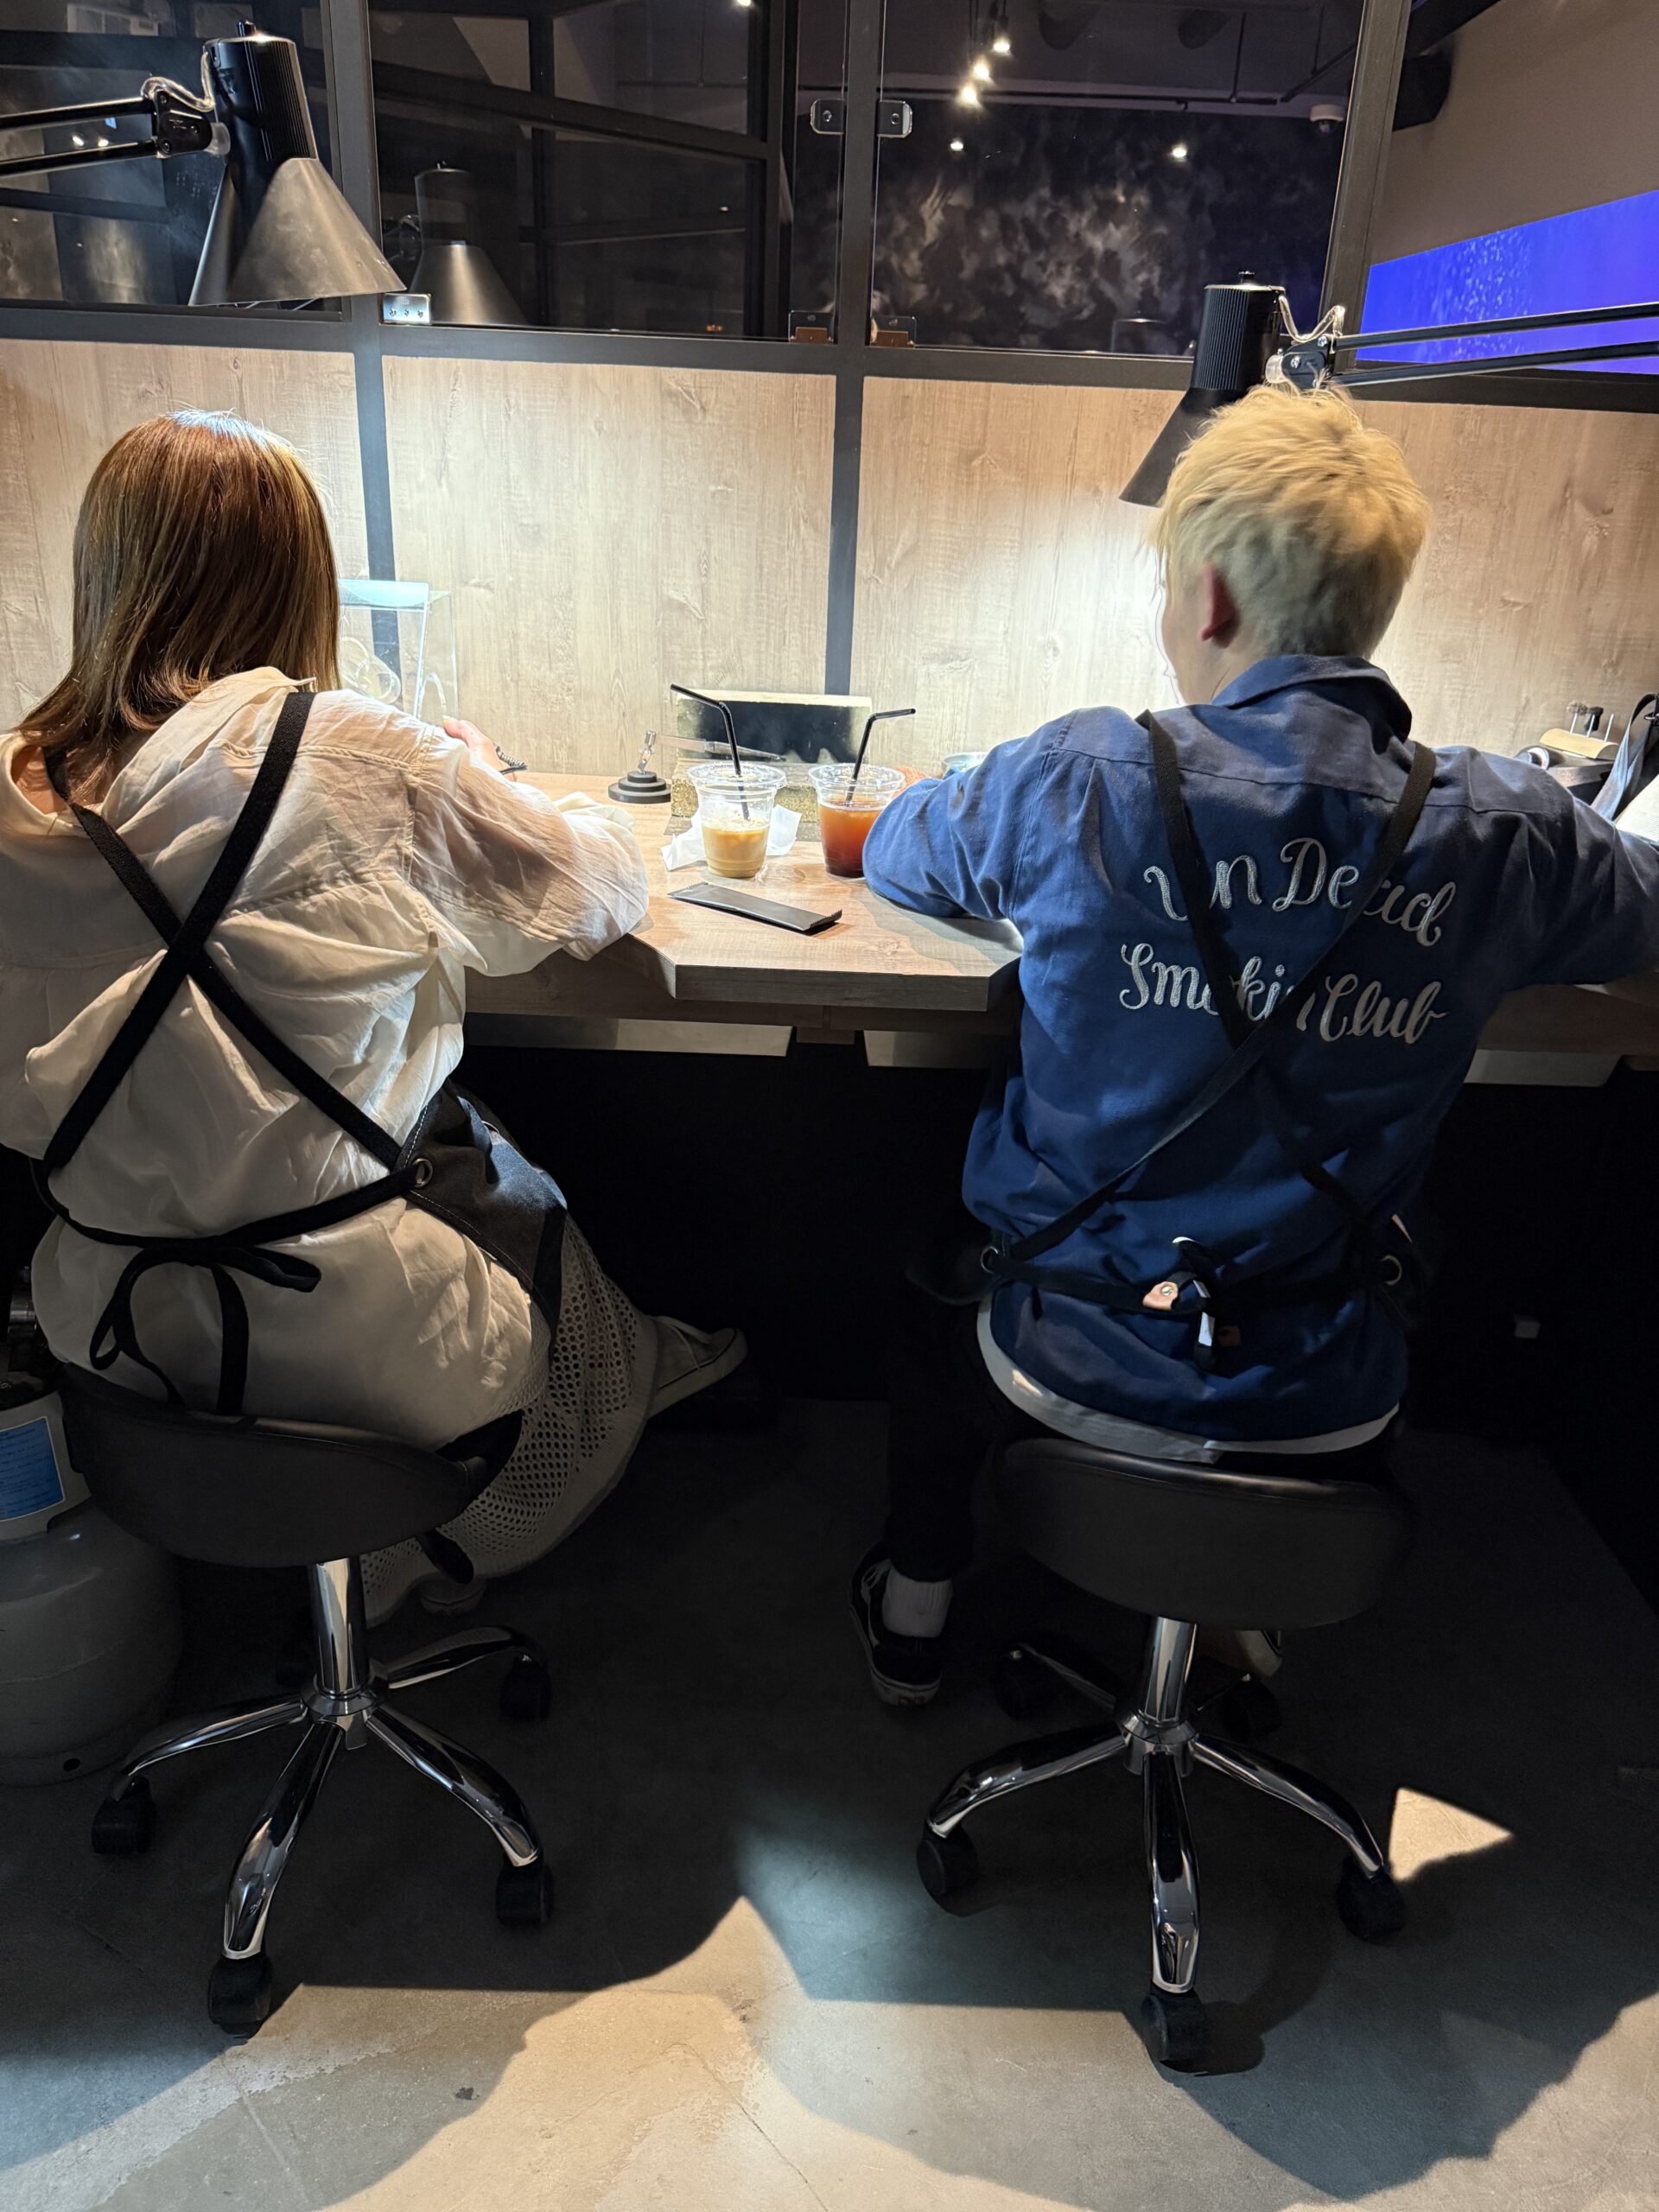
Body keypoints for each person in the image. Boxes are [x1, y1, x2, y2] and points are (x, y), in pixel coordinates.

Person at [850, 382, 1659, 1707]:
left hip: (1068, 1357)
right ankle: (1225, 1612)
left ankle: (915, 1612)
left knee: (927, 1275)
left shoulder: (1082, 777)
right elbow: (1646, 911)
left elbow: (897, 846)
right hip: (1328, 1384)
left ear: (1211, 597)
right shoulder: (1507, 829)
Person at [0, 410, 742, 1626]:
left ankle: (340, 1593)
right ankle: (479, 1512)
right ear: (298, 579)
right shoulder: (349, 752)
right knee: (496, 1166)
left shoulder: (16, 785)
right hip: (366, 1337)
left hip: (115, 1334)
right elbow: (596, 890)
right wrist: (488, 781)